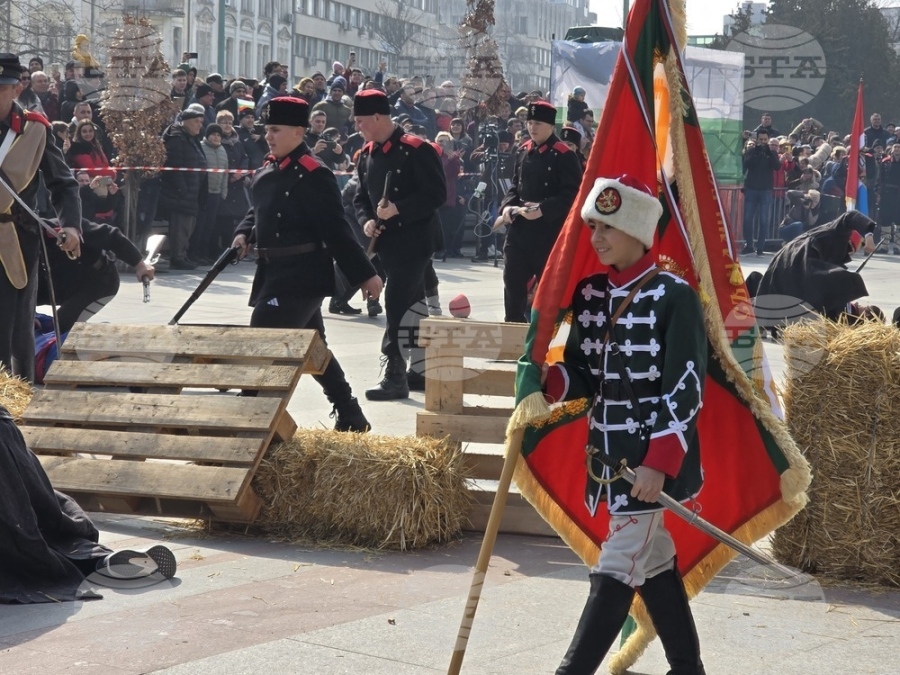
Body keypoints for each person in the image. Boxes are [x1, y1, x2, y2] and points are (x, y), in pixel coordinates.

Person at [543, 176, 707, 675]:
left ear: (639, 229)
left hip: (648, 464)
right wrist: (547, 380)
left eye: (608, 227)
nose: (596, 238)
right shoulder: (590, 295)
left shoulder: (674, 295)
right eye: (594, 226)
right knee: (653, 564)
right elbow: (583, 376)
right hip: (605, 459)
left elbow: (686, 386)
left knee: (617, 566)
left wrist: (660, 463)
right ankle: (688, 669)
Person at [231, 97, 383, 431]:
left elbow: (337, 229)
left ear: (299, 131)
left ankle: (246, 424)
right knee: (316, 349)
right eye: (266, 130)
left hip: (302, 277)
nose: (268, 136)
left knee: (261, 344)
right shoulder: (267, 170)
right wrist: (244, 234)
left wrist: (365, 274)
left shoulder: (314, 174)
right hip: (272, 273)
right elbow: (256, 212)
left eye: (275, 130)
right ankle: (350, 413)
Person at [0, 403, 176, 604]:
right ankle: (99, 562)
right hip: (7, 434)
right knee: (42, 525)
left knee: (15, 545)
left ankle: (86, 565)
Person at [353, 89, 446, 399]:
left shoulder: (417, 149)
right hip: (385, 241)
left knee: (397, 303)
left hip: (415, 240)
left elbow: (435, 194)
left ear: (378, 117)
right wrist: (367, 218)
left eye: (361, 120)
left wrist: (398, 209)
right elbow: (360, 196)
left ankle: (395, 374)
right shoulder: (366, 154)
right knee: (415, 305)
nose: (359, 127)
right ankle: (419, 370)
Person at [0, 53, 81, 383]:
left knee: (10, 330)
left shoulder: (35, 129)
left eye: (1, 87)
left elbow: (62, 183)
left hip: (15, 241)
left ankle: (9, 412)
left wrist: (72, 225)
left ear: (17, 88)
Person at [496, 100, 582, 322]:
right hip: (520, 226)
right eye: (530, 122)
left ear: (551, 126)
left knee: (548, 285)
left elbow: (572, 194)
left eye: (539, 123)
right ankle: (513, 328)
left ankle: (547, 334)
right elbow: (515, 186)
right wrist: (507, 207)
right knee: (512, 280)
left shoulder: (563, 154)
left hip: (547, 230)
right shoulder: (524, 150)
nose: (533, 128)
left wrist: (544, 209)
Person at [38, 217, 155, 333]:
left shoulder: (59, 228)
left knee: (61, 325)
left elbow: (112, 236)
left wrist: (140, 265)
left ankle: (103, 336)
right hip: (57, 283)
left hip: (98, 282)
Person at [159, 105, 207, 270]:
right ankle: (177, 256)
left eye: (201, 122)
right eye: (196, 122)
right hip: (181, 193)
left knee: (188, 225)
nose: (199, 125)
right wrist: (183, 189)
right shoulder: (177, 137)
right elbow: (174, 166)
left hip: (192, 190)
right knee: (181, 225)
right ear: (186, 122)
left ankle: (183, 254)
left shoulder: (189, 137)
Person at [741, 130, 781, 255]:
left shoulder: (772, 153)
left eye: (765, 140)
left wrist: (769, 151)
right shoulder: (752, 151)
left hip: (765, 190)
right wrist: (757, 151)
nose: (763, 142)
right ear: (757, 140)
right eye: (761, 140)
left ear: (768, 140)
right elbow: (747, 163)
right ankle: (749, 244)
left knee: (764, 220)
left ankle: (760, 246)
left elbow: (777, 166)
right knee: (748, 219)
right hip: (752, 188)